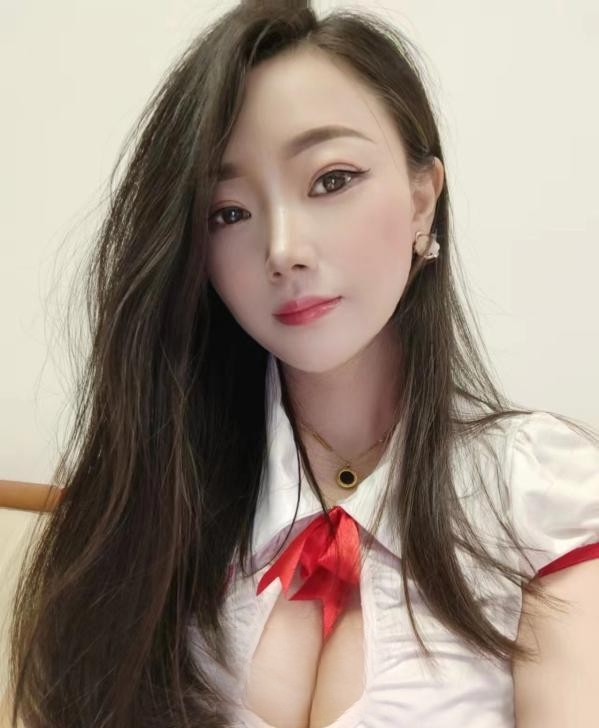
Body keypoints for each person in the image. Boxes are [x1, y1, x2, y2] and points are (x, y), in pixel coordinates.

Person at [5, 1, 599, 726]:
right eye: (228, 212)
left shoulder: (537, 497)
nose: (282, 249)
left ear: (422, 200)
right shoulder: (147, 511)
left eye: (331, 179)